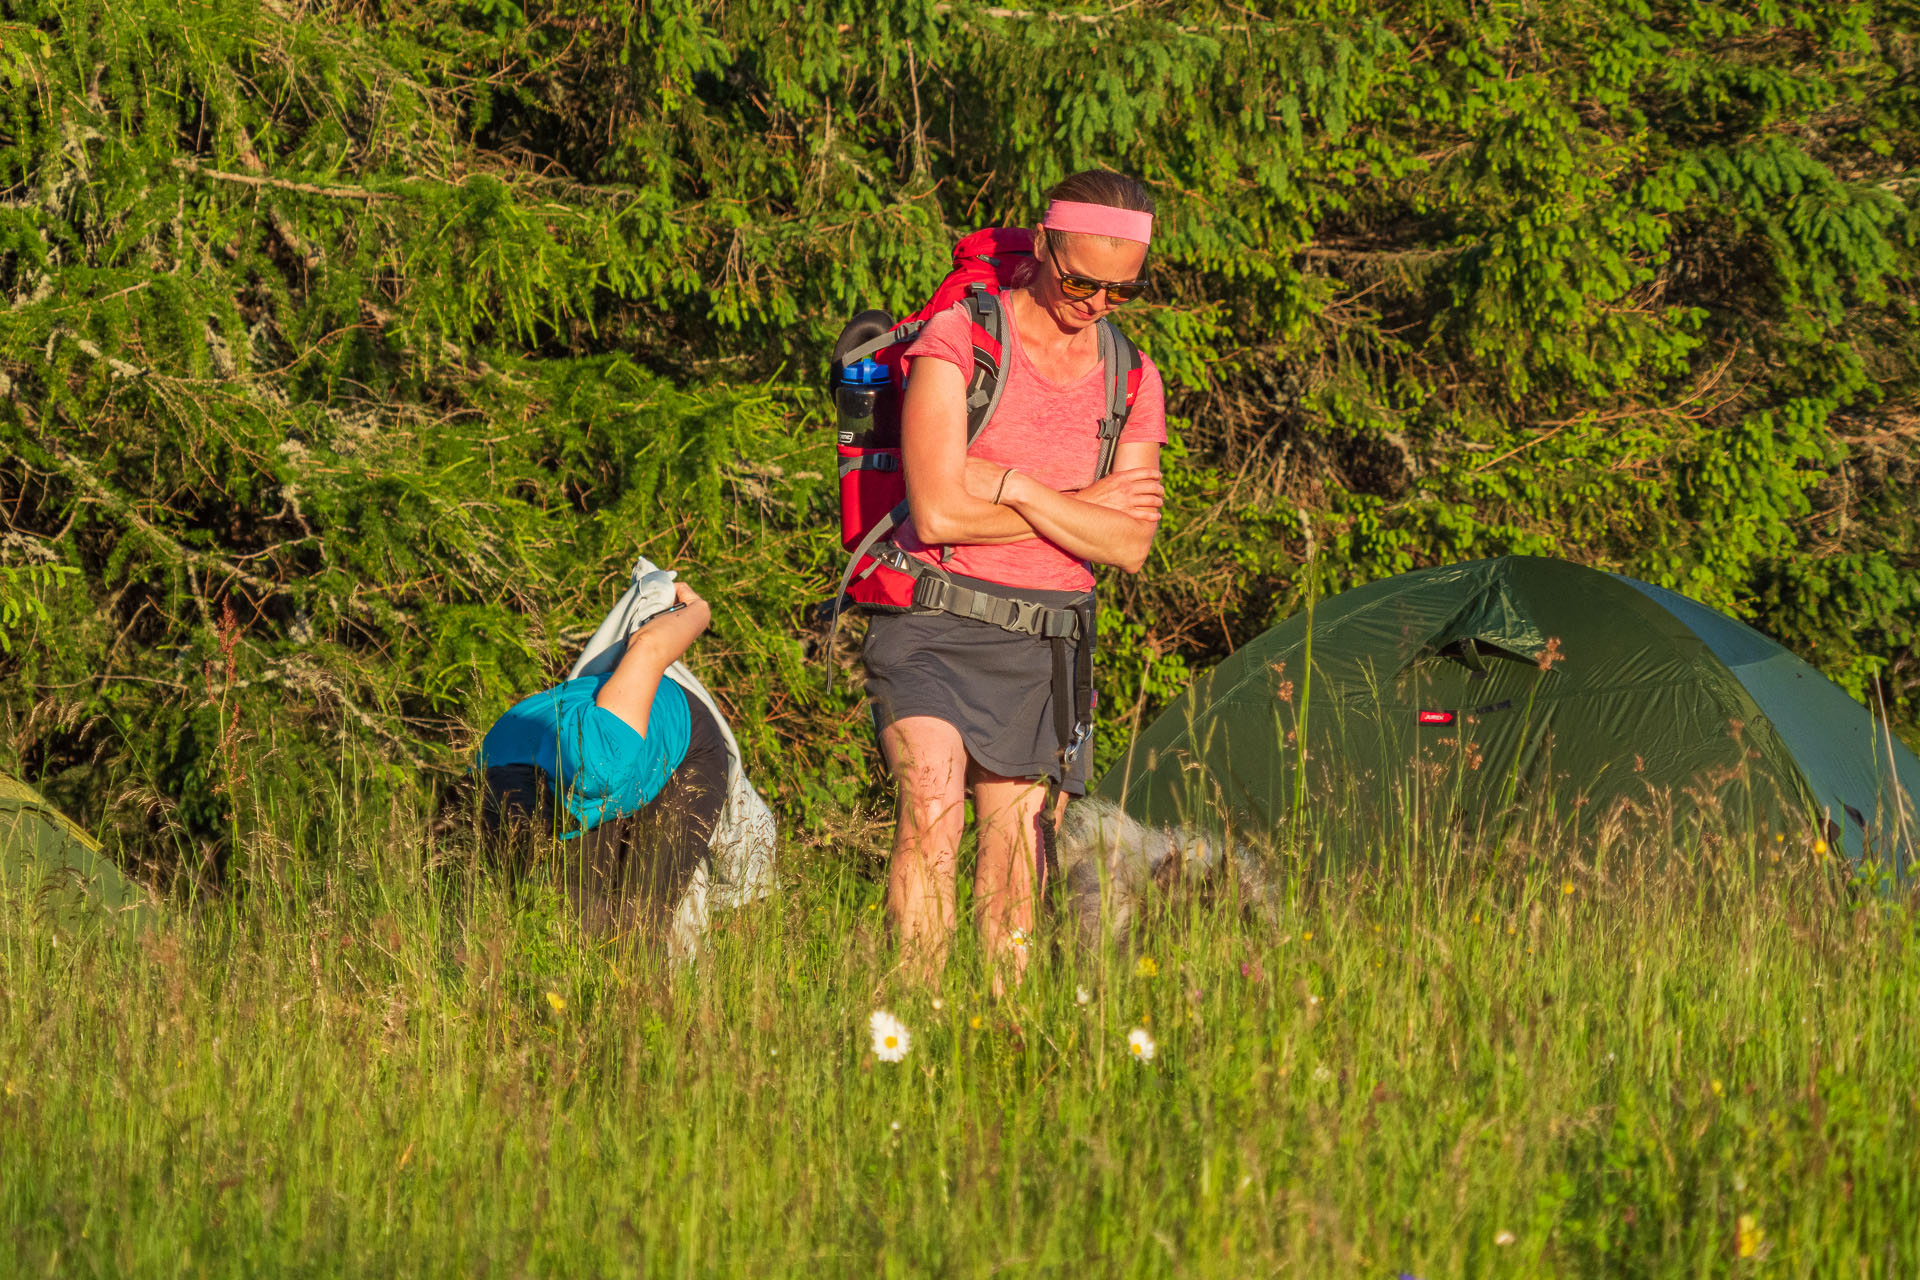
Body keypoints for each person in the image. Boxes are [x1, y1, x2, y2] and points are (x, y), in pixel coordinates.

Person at [866, 170, 1168, 985]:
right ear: (1040, 246)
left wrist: (1019, 486)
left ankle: (1001, 1029)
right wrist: (1082, 508)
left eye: (1120, 290)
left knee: (1016, 855)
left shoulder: (1131, 377)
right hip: (931, 619)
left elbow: (1132, 543)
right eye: (1080, 280)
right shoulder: (958, 339)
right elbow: (937, 514)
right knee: (931, 810)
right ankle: (914, 1017)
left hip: (1047, 640)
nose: (1096, 302)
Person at [477, 581, 727, 943]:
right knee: (577, 920)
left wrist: (698, 608)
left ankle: (646, 992)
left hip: (687, 748)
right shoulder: (484, 765)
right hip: (570, 779)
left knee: (637, 925)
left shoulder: (601, 759)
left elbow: (649, 644)